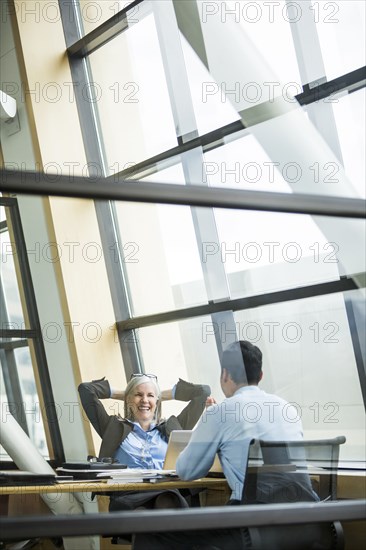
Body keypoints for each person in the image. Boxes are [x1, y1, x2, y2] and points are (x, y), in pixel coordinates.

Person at [133, 340, 318, 549]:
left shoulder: (220, 413)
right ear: (261, 376)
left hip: (250, 526)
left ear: (225, 375)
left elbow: (187, 470)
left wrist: (212, 433)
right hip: (305, 522)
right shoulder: (287, 409)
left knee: (147, 527)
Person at [78, 373, 211, 510]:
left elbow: (203, 392)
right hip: (128, 494)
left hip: (166, 491)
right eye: (138, 395)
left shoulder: (173, 427)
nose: (144, 400)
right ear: (128, 399)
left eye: (150, 395)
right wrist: (123, 394)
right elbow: (86, 389)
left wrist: (163, 395)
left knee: (167, 500)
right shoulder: (113, 427)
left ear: (158, 401)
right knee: (149, 509)